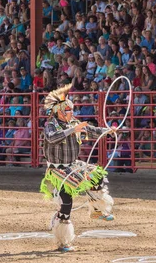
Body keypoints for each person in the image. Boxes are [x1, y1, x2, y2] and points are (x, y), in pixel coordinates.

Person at [40, 84, 116, 252]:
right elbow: (52, 138)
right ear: (60, 112)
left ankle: (96, 209)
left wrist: (108, 131)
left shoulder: (74, 123)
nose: (71, 113)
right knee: (66, 203)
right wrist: (73, 129)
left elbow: (91, 130)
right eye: (68, 111)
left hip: (73, 166)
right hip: (57, 170)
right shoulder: (50, 126)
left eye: (71, 110)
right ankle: (63, 240)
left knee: (97, 176)